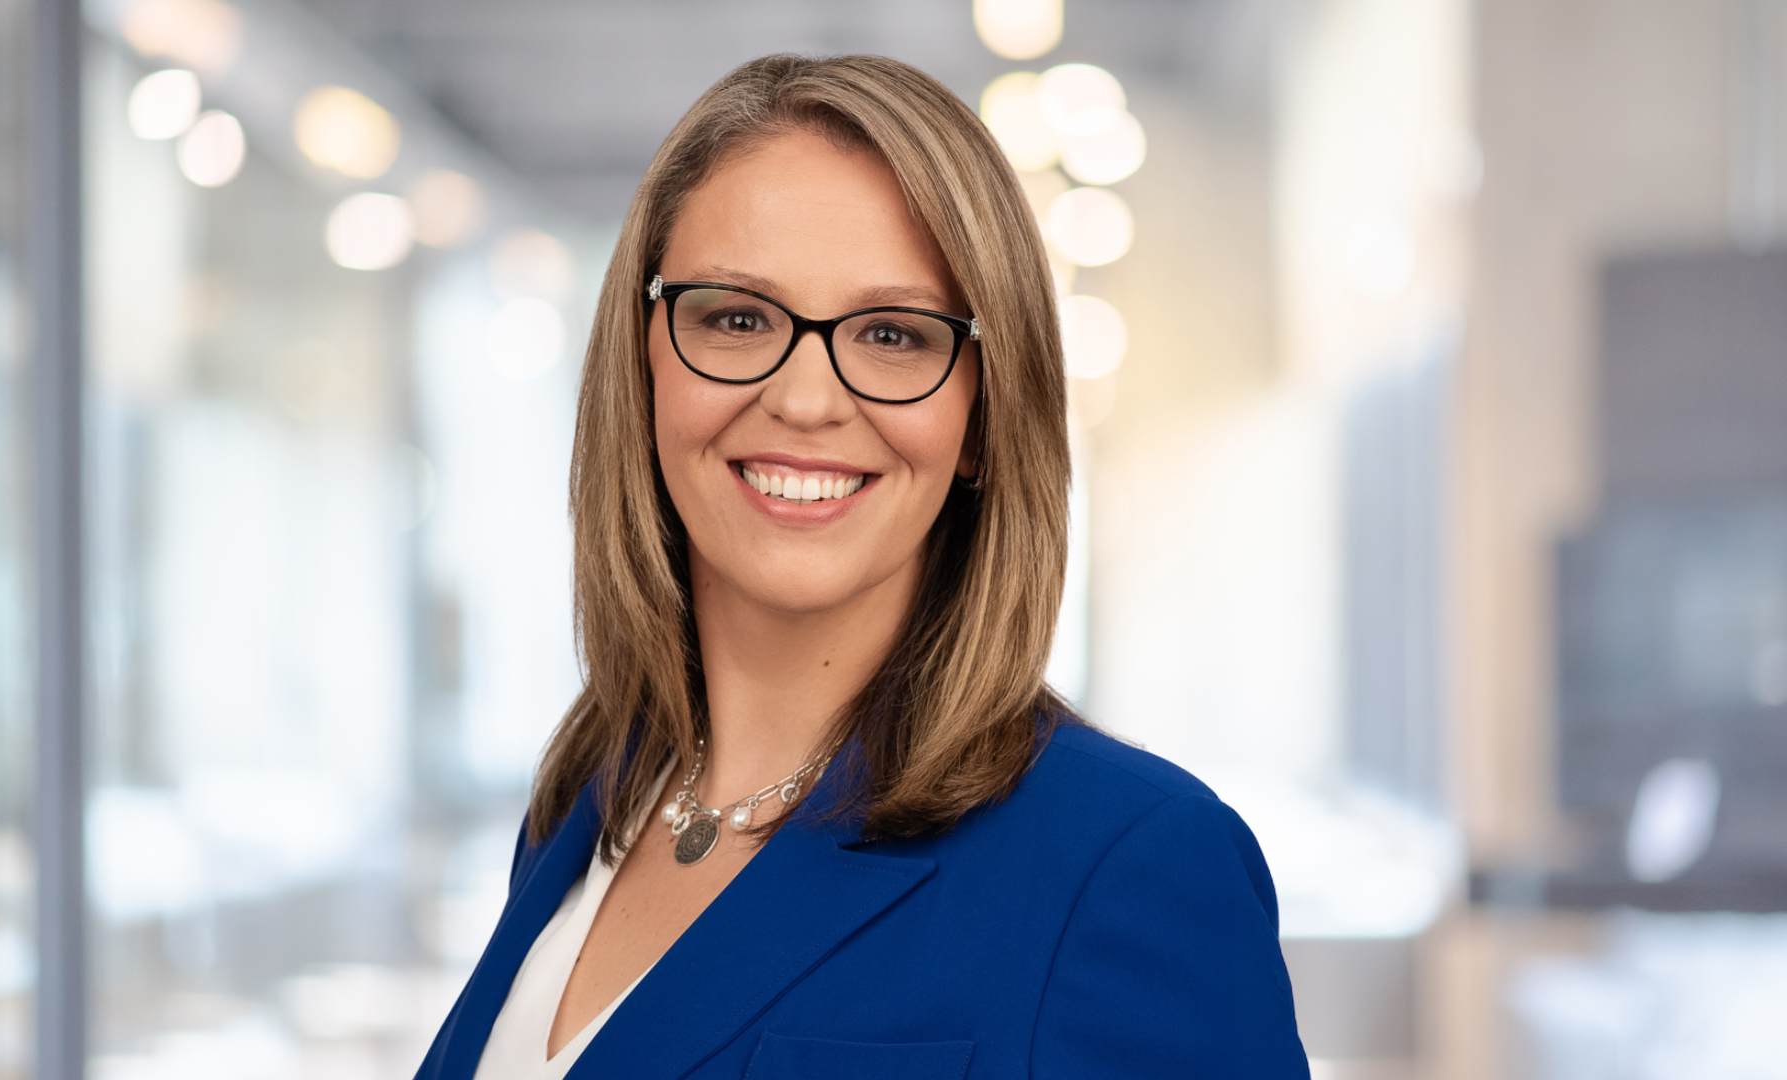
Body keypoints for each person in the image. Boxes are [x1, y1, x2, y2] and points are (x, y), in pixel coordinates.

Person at [414, 54, 1309, 1080]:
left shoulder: (1131, 866)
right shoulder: (590, 800)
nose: (804, 400)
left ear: (982, 416)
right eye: (738, 317)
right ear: (644, 359)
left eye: (893, 334)